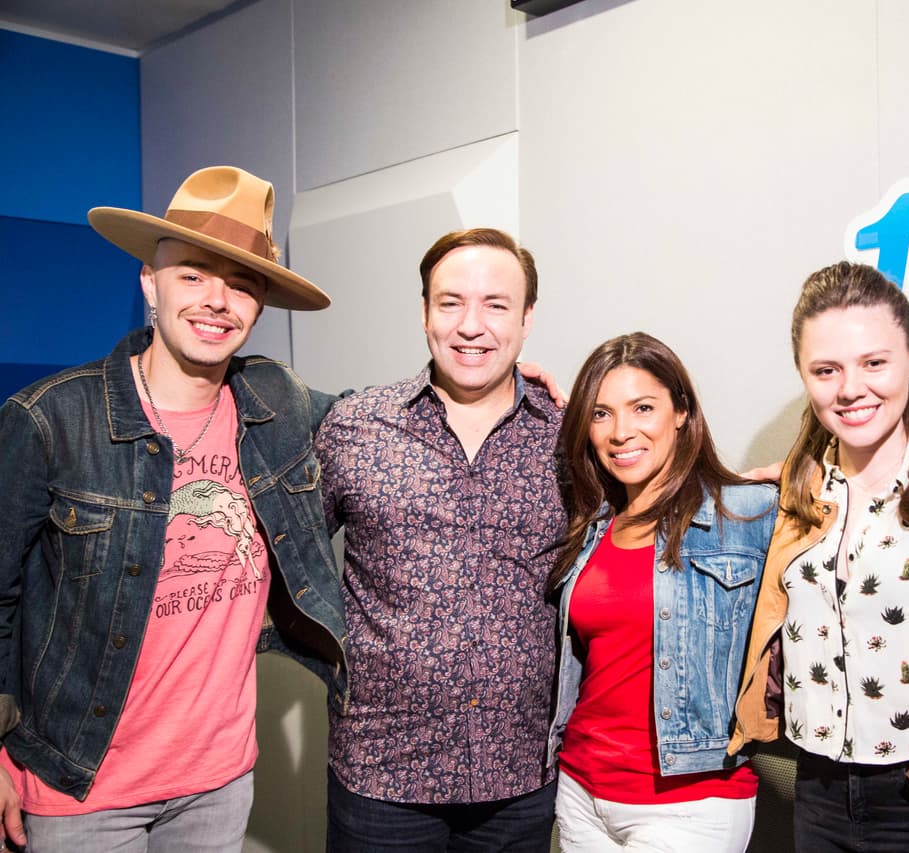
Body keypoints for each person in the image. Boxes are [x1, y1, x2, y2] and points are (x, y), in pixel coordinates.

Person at [0, 166, 347, 850]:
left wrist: (503, 384)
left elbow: (379, 421)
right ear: (149, 283)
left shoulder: (276, 400)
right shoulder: (49, 421)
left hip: (218, 782)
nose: (218, 300)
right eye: (192, 274)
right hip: (80, 787)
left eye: (243, 283)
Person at [730, 262, 909, 851]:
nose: (850, 389)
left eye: (874, 362)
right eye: (826, 370)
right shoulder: (798, 492)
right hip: (818, 791)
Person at [316, 228, 565, 852]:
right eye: (450, 302)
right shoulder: (355, 427)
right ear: (424, 312)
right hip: (380, 774)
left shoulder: (571, 438)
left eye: (495, 305)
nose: (470, 325)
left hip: (521, 778)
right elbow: (276, 558)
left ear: (527, 318)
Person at [546, 332, 777, 852]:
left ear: (681, 411)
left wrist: (812, 477)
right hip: (581, 790)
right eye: (601, 413)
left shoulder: (746, 514)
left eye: (643, 407)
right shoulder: (592, 528)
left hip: (690, 802)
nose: (622, 431)